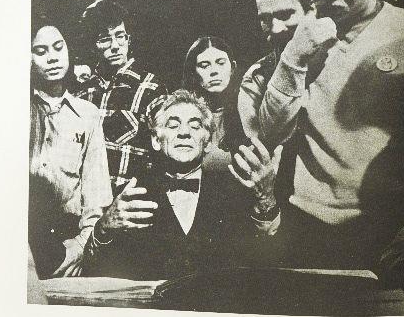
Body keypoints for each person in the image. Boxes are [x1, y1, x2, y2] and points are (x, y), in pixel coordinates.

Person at [250, 0, 404, 271]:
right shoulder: (300, 37)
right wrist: (294, 55)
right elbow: (271, 133)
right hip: (308, 232)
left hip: (398, 236)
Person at [82, 90, 282, 280]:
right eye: (173, 125)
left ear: (208, 142)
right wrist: (103, 228)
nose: (184, 132)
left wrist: (266, 197)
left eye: (195, 126)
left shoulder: (233, 192)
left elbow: (268, 260)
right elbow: (96, 270)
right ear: (155, 140)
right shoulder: (130, 198)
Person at [29, 18, 112, 279]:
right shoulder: (16, 108)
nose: (52, 58)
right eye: (40, 51)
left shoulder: (88, 114)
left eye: (58, 47)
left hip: (69, 246)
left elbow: (97, 195)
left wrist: (80, 247)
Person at [76, 0, 167, 194]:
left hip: (132, 203)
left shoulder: (151, 89)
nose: (115, 46)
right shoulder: (81, 94)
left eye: (120, 36)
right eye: (104, 39)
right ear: (92, 46)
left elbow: (166, 156)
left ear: (129, 39)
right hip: (85, 205)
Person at [238, 0, 305, 142]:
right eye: (265, 19)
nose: (275, 29)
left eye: (285, 15)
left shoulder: (340, 56)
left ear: (310, 11)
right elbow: (259, 142)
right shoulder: (255, 77)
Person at [182, 36, 245, 171]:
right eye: (204, 66)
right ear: (193, 73)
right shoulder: (183, 113)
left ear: (233, 68)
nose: (214, 71)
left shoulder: (248, 109)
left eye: (221, 63)